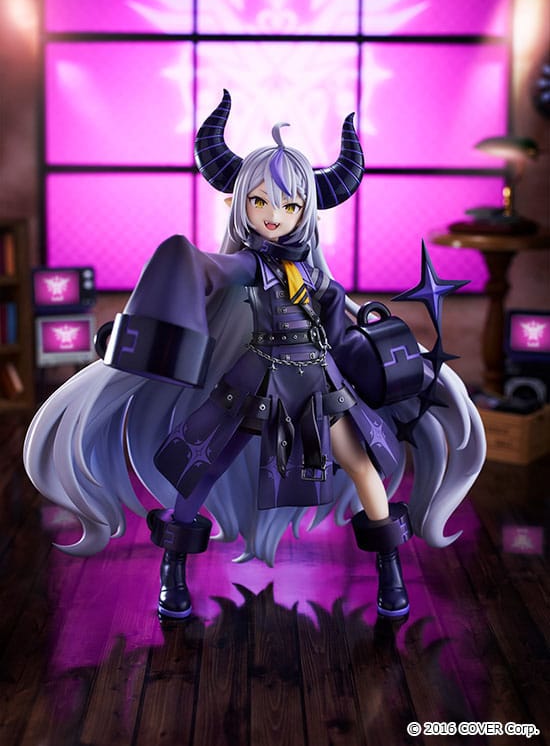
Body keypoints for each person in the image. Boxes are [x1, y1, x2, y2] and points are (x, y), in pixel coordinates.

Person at [24, 90, 485, 622]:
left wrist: (390, 364)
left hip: (319, 384)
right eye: (260, 202)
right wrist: (155, 318)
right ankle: (174, 569)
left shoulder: (317, 278)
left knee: (362, 466)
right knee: (203, 468)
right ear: (240, 202)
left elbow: (341, 336)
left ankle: (391, 569)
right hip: (256, 383)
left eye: (288, 206)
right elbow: (205, 270)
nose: (273, 216)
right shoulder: (247, 266)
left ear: (305, 211)